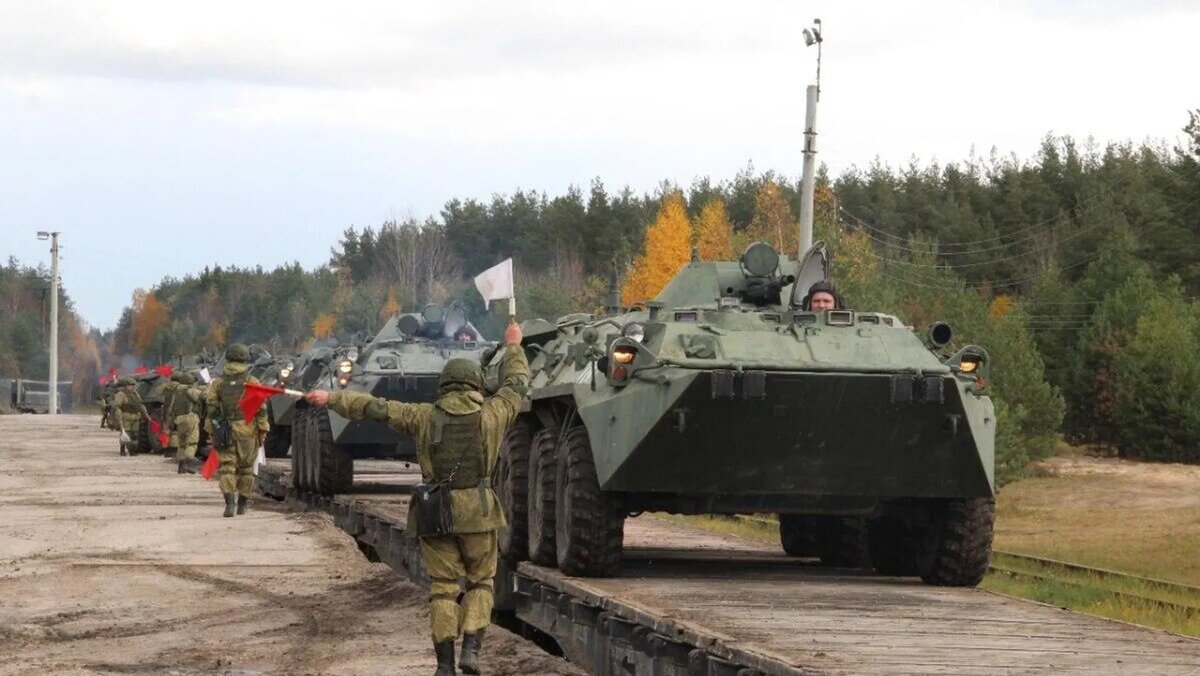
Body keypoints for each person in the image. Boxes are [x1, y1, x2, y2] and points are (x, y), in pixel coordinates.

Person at [305, 321, 528, 676]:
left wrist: (331, 398)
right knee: (481, 582)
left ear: (444, 385)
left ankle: (444, 665)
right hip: (479, 512)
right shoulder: (492, 415)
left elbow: (375, 407)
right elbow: (516, 384)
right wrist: (513, 346)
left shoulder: (422, 416)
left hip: (435, 512)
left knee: (443, 589)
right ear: (476, 384)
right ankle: (471, 650)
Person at [205, 344, 270, 517]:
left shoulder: (218, 383)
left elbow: (211, 408)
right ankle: (242, 505)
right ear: (245, 359)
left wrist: (212, 429)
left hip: (225, 429)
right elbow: (261, 408)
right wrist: (263, 430)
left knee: (227, 467)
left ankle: (229, 505)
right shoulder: (252, 381)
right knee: (246, 468)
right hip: (248, 429)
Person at [170, 372, 205, 474]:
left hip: (179, 419)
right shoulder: (190, 390)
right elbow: (203, 396)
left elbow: (171, 408)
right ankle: (190, 463)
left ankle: (181, 466)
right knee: (192, 442)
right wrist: (206, 387)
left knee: (182, 444)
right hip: (190, 418)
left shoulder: (176, 392)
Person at [113, 377, 148, 456]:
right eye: (129, 385)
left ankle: (133, 451)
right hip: (126, 417)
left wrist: (145, 413)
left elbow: (140, 404)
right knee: (126, 434)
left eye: (132, 385)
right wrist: (119, 419)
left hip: (136, 418)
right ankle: (122, 450)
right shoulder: (121, 394)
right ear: (126, 386)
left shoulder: (135, 394)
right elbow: (117, 407)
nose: (131, 387)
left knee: (135, 435)